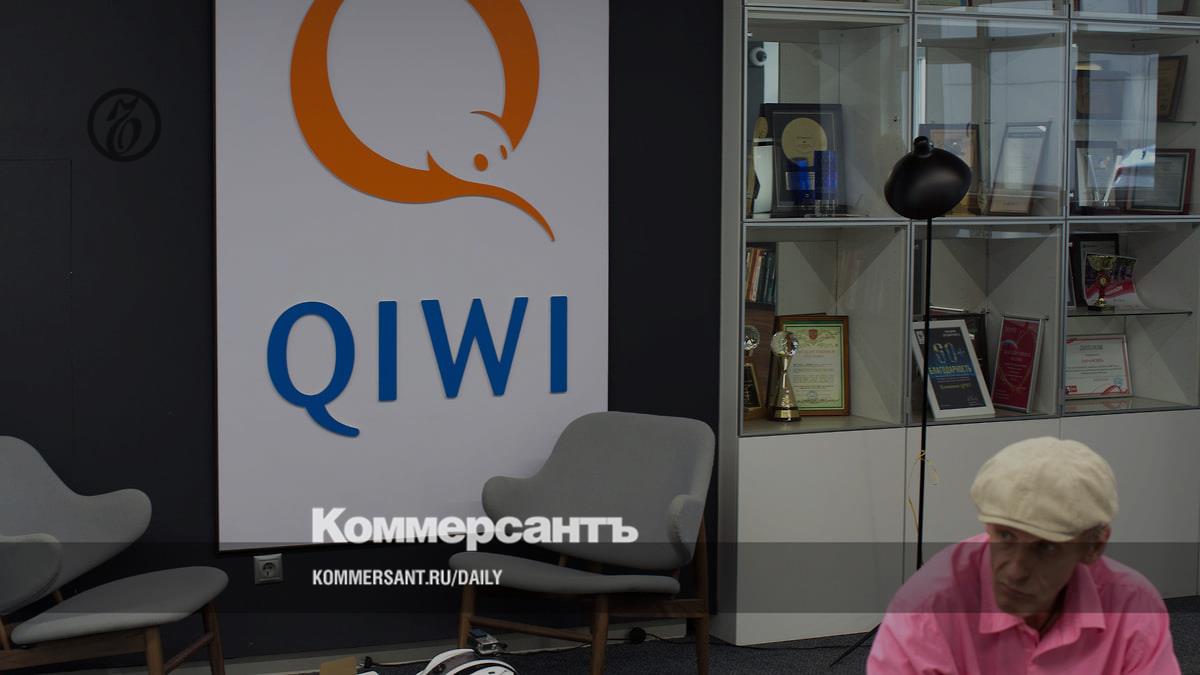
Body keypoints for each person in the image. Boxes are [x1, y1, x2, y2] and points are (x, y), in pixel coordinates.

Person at [867, 437, 1180, 674]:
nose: (1015, 570)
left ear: (1093, 547)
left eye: (1045, 547)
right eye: (1005, 536)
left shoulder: (1133, 608)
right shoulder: (927, 610)